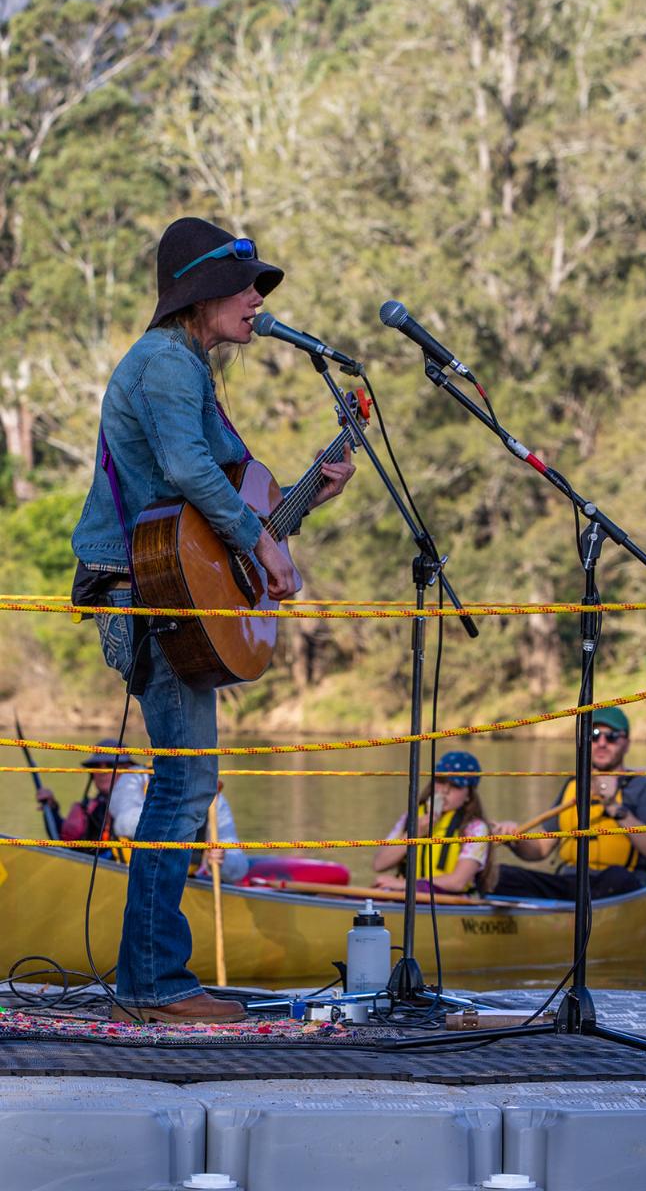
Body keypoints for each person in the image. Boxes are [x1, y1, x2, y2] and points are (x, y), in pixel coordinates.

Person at [70, 217, 355, 1023]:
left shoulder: (186, 366)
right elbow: (191, 475)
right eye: (244, 288)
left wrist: (298, 503)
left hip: (170, 581)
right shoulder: (165, 362)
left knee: (184, 781)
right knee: (183, 781)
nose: (257, 301)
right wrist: (263, 539)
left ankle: (145, 981)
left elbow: (215, 519)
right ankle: (158, 985)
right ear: (199, 296)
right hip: (143, 586)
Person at [491, 707, 646, 899]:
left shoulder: (644, 788)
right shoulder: (573, 785)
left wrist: (614, 807)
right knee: (496, 875)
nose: (601, 743)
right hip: (570, 883)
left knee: (617, 877)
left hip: (619, 886)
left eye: (612, 737)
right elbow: (541, 849)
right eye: (594, 735)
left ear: (626, 744)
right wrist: (514, 840)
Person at [372, 751, 497, 895]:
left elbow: (457, 882)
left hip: (447, 900)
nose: (445, 790)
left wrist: (404, 885)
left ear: (469, 795)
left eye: (456, 786)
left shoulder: (475, 828)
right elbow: (379, 864)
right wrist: (415, 833)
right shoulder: (411, 817)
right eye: (441, 781)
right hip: (405, 897)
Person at [109, 773, 249, 884]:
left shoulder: (213, 798)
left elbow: (240, 869)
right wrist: (174, 813)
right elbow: (123, 825)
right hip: (134, 875)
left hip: (183, 881)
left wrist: (222, 859)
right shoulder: (135, 777)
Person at [36, 738, 132, 857]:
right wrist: (51, 809)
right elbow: (66, 844)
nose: (102, 771)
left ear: (128, 769)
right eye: (96, 766)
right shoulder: (92, 808)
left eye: (110, 765)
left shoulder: (139, 807)